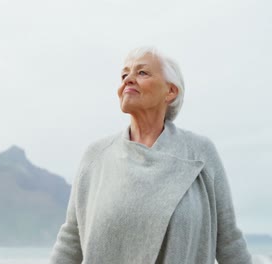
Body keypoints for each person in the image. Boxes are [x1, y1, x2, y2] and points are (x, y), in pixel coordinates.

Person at [49, 46, 253, 264]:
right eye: (124, 74)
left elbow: (229, 243)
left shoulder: (199, 153)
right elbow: (71, 241)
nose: (128, 79)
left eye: (142, 72)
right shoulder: (96, 157)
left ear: (171, 91)